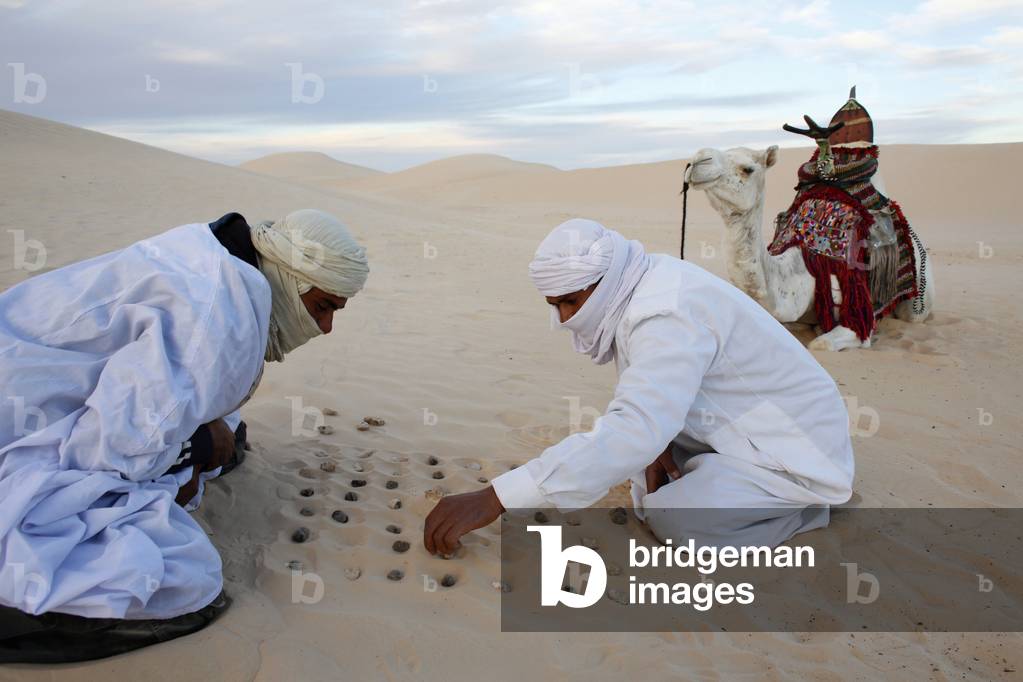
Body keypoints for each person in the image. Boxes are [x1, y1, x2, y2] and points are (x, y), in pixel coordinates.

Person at [0, 209, 368, 662]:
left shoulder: (212, 254)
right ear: (289, 278)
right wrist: (194, 449)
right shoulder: (218, 326)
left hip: (46, 383)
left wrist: (199, 441)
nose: (325, 327)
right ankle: (23, 609)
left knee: (226, 429)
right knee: (185, 578)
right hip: (21, 425)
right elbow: (109, 453)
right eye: (323, 307)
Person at [424, 218, 854, 555]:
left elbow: (636, 423)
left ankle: (806, 504)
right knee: (639, 472)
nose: (563, 318)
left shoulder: (664, 312)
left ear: (605, 282)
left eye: (570, 302)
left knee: (674, 520)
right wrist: (659, 441)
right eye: (554, 306)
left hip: (792, 449)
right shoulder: (639, 282)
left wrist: (497, 497)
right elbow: (651, 397)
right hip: (730, 426)